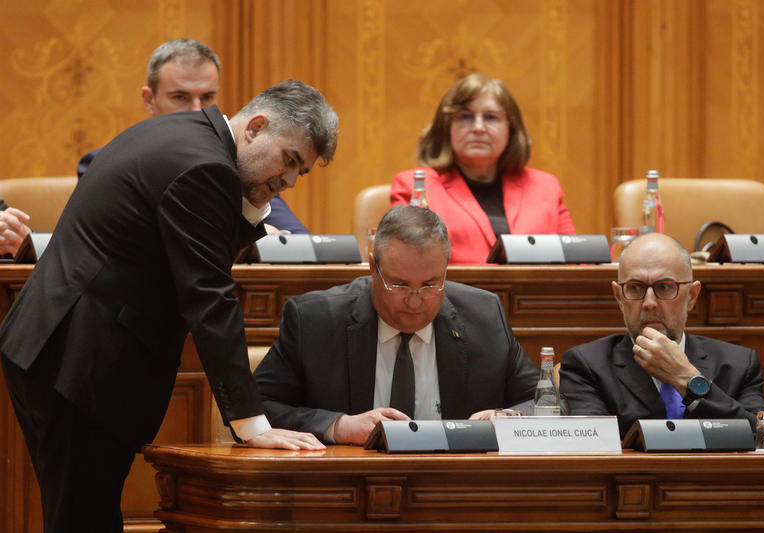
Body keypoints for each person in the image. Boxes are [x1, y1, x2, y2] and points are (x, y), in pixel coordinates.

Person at [0, 79, 338, 533]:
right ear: (256, 126)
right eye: (290, 160)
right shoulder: (205, 166)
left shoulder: (183, 135)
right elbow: (209, 296)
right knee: (84, 518)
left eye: (303, 172)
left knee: (79, 515)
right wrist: (252, 425)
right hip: (80, 361)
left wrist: (256, 201)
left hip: (58, 347)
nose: (291, 181)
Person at [253, 205, 539, 445]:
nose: (415, 302)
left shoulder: (484, 315)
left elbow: (544, 401)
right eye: (399, 285)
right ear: (372, 268)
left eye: (430, 285)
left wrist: (507, 418)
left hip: (455, 485)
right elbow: (255, 407)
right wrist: (340, 426)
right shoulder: (316, 319)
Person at [76, 38, 309, 234]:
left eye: (207, 97)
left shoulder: (240, 168)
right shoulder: (107, 162)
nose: (198, 111)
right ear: (150, 100)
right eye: (180, 97)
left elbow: (298, 241)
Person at [559, 232, 764, 437]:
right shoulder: (585, 366)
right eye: (634, 288)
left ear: (692, 296)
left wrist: (687, 380)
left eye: (665, 287)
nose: (649, 302)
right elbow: (594, 449)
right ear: (619, 297)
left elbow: (761, 438)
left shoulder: (739, 364)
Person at [391, 73, 575, 264]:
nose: (478, 127)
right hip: (452, 293)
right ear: (446, 128)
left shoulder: (546, 186)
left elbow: (577, 262)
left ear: (511, 129)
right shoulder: (415, 185)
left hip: (533, 293)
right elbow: (403, 264)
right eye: (465, 116)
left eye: (491, 117)